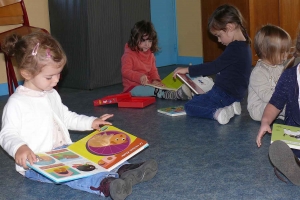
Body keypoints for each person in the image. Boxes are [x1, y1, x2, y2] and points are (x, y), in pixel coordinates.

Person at [0, 32, 158, 200]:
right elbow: (7, 134)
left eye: (58, 74)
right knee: (77, 173)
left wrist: (91, 122)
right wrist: (19, 147)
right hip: (38, 164)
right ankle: (106, 184)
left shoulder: (51, 93)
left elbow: (66, 117)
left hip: (64, 151)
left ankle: (125, 169)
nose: (56, 81)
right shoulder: (17, 103)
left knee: (92, 156)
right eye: (49, 77)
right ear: (26, 73)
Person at [173, 4, 252, 124]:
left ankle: (217, 113)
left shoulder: (234, 48)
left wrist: (188, 69)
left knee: (190, 106)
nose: (219, 41)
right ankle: (231, 107)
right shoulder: (245, 45)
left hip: (223, 95)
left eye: (219, 36)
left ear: (230, 27)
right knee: (203, 97)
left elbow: (214, 66)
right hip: (236, 95)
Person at [256, 27, 300, 185]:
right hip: (296, 131)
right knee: (285, 148)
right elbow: (275, 102)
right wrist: (266, 121)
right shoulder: (289, 76)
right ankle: (295, 166)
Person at [121, 20, 192, 100]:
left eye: (150, 41)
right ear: (135, 38)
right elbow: (125, 71)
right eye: (143, 40)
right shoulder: (129, 54)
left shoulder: (150, 54)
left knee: (161, 85)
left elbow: (153, 71)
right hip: (132, 88)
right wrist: (139, 77)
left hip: (148, 85)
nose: (147, 44)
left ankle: (187, 90)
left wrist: (155, 80)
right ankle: (173, 95)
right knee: (152, 90)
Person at [247, 24, 291, 121]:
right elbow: (266, 96)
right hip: (259, 108)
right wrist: (288, 98)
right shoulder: (258, 73)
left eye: (287, 51)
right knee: (289, 106)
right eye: (282, 52)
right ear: (265, 52)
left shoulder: (280, 67)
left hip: (276, 102)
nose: (286, 56)